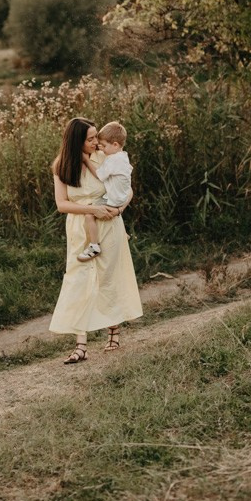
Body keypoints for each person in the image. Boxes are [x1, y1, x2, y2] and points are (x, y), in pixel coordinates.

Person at [49, 116, 143, 364]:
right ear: (76, 141)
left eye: (96, 138)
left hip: (108, 225)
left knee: (108, 279)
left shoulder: (104, 157)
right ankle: (81, 345)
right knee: (79, 282)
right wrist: (92, 211)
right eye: (90, 139)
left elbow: (127, 188)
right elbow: (62, 204)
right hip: (81, 228)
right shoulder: (61, 166)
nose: (95, 142)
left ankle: (114, 333)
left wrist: (119, 209)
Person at [77, 120, 133, 261]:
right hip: (121, 197)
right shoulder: (123, 156)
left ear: (115, 145)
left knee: (89, 214)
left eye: (104, 146)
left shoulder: (111, 160)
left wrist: (87, 161)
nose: (101, 148)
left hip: (113, 199)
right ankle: (123, 233)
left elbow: (100, 175)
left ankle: (94, 246)